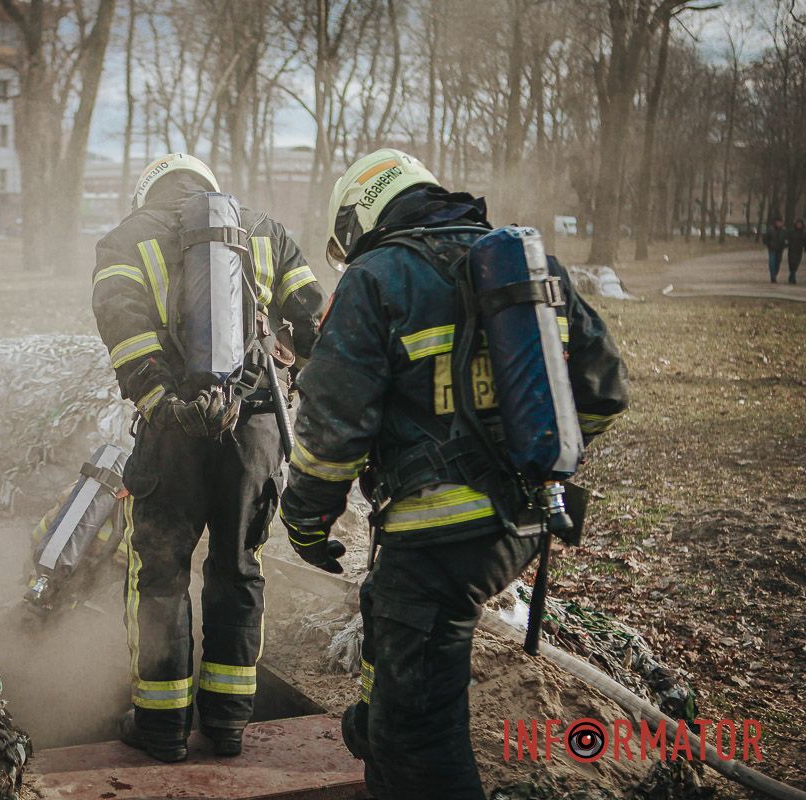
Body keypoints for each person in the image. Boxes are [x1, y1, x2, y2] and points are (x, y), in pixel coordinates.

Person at [278, 149, 629, 798]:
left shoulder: (377, 278)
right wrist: (533, 460)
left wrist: (303, 519)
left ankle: (392, 739)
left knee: (422, 743)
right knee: (394, 667)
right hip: (521, 526)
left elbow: (331, 432)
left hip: (435, 541)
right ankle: (377, 730)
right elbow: (604, 389)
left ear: (359, 219)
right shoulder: (524, 265)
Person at [92, 153, 325, 763]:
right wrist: (290, 377)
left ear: (151, 193)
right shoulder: (264, 230)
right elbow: (313, 323)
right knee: (238, 565)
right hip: (255, 428)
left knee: (161, 569)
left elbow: (124, 329)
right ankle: (226, 726)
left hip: (174, 427)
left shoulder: (125, 238)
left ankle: (162, 727)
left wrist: (163, 399)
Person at [764, 217, 789, 283]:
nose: (779, 224)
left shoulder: (784, 231)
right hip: (772, 249)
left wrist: (785, 245)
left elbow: (787, 239)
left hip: (780, 249)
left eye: (780, 222)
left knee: (777, 263)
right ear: (775, 222)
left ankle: (775, 274)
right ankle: (773, 276)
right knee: (772, 262)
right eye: (778, 222)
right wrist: (769, 245)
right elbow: (765, 238)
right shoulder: (770, 229)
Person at [787, 219, 804, 285]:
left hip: (799, 251)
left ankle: (792, 276)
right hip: (792, 250)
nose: (799, 225)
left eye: (800, 224)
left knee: (796, 264)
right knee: (791, 264)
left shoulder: (803, 233)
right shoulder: (792, 232)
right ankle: (792, 277)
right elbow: (788, 239)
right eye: (798, 224)